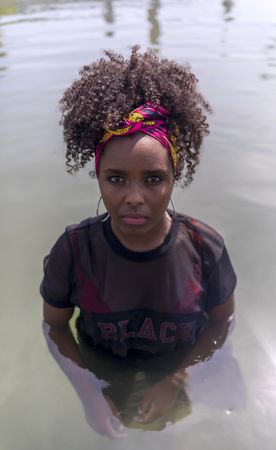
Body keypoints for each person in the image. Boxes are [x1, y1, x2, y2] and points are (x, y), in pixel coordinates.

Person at [40, 46, 237, 435]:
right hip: (104, 379)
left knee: (172, 438)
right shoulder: (73, 251)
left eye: (153, 178)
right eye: (116, 179)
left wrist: (177, 381)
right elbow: (55, 328)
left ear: (172, 178)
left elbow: (222, 323)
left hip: (177, 375)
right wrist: (90, 394)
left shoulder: (205, 248)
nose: (134, 197)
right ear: (98, 177)